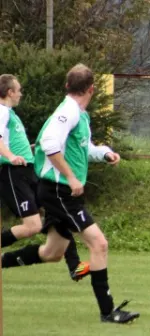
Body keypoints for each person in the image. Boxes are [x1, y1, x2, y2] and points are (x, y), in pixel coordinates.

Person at [1, 64, 139, 323]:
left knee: (52, 253)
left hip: (57, 190)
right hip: (60, 191)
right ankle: (108, 312)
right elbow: (50, 143)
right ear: (91, 89)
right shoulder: (69, 112)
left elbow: (82, 148)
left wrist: (104, 153)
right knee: (99, 244)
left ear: (67, 86)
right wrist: (72, 177)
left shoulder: (77, 113)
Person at [0, 74, 89, 281]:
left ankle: (74, 265)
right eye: (18, 90)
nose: (21, 93)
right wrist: (12, 156)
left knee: (56, 211)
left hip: (26, 170)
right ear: (10, 92)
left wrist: (29, 150)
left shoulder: (10, 113)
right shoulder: (2, 111)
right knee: (33, 226)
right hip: (13, 173)